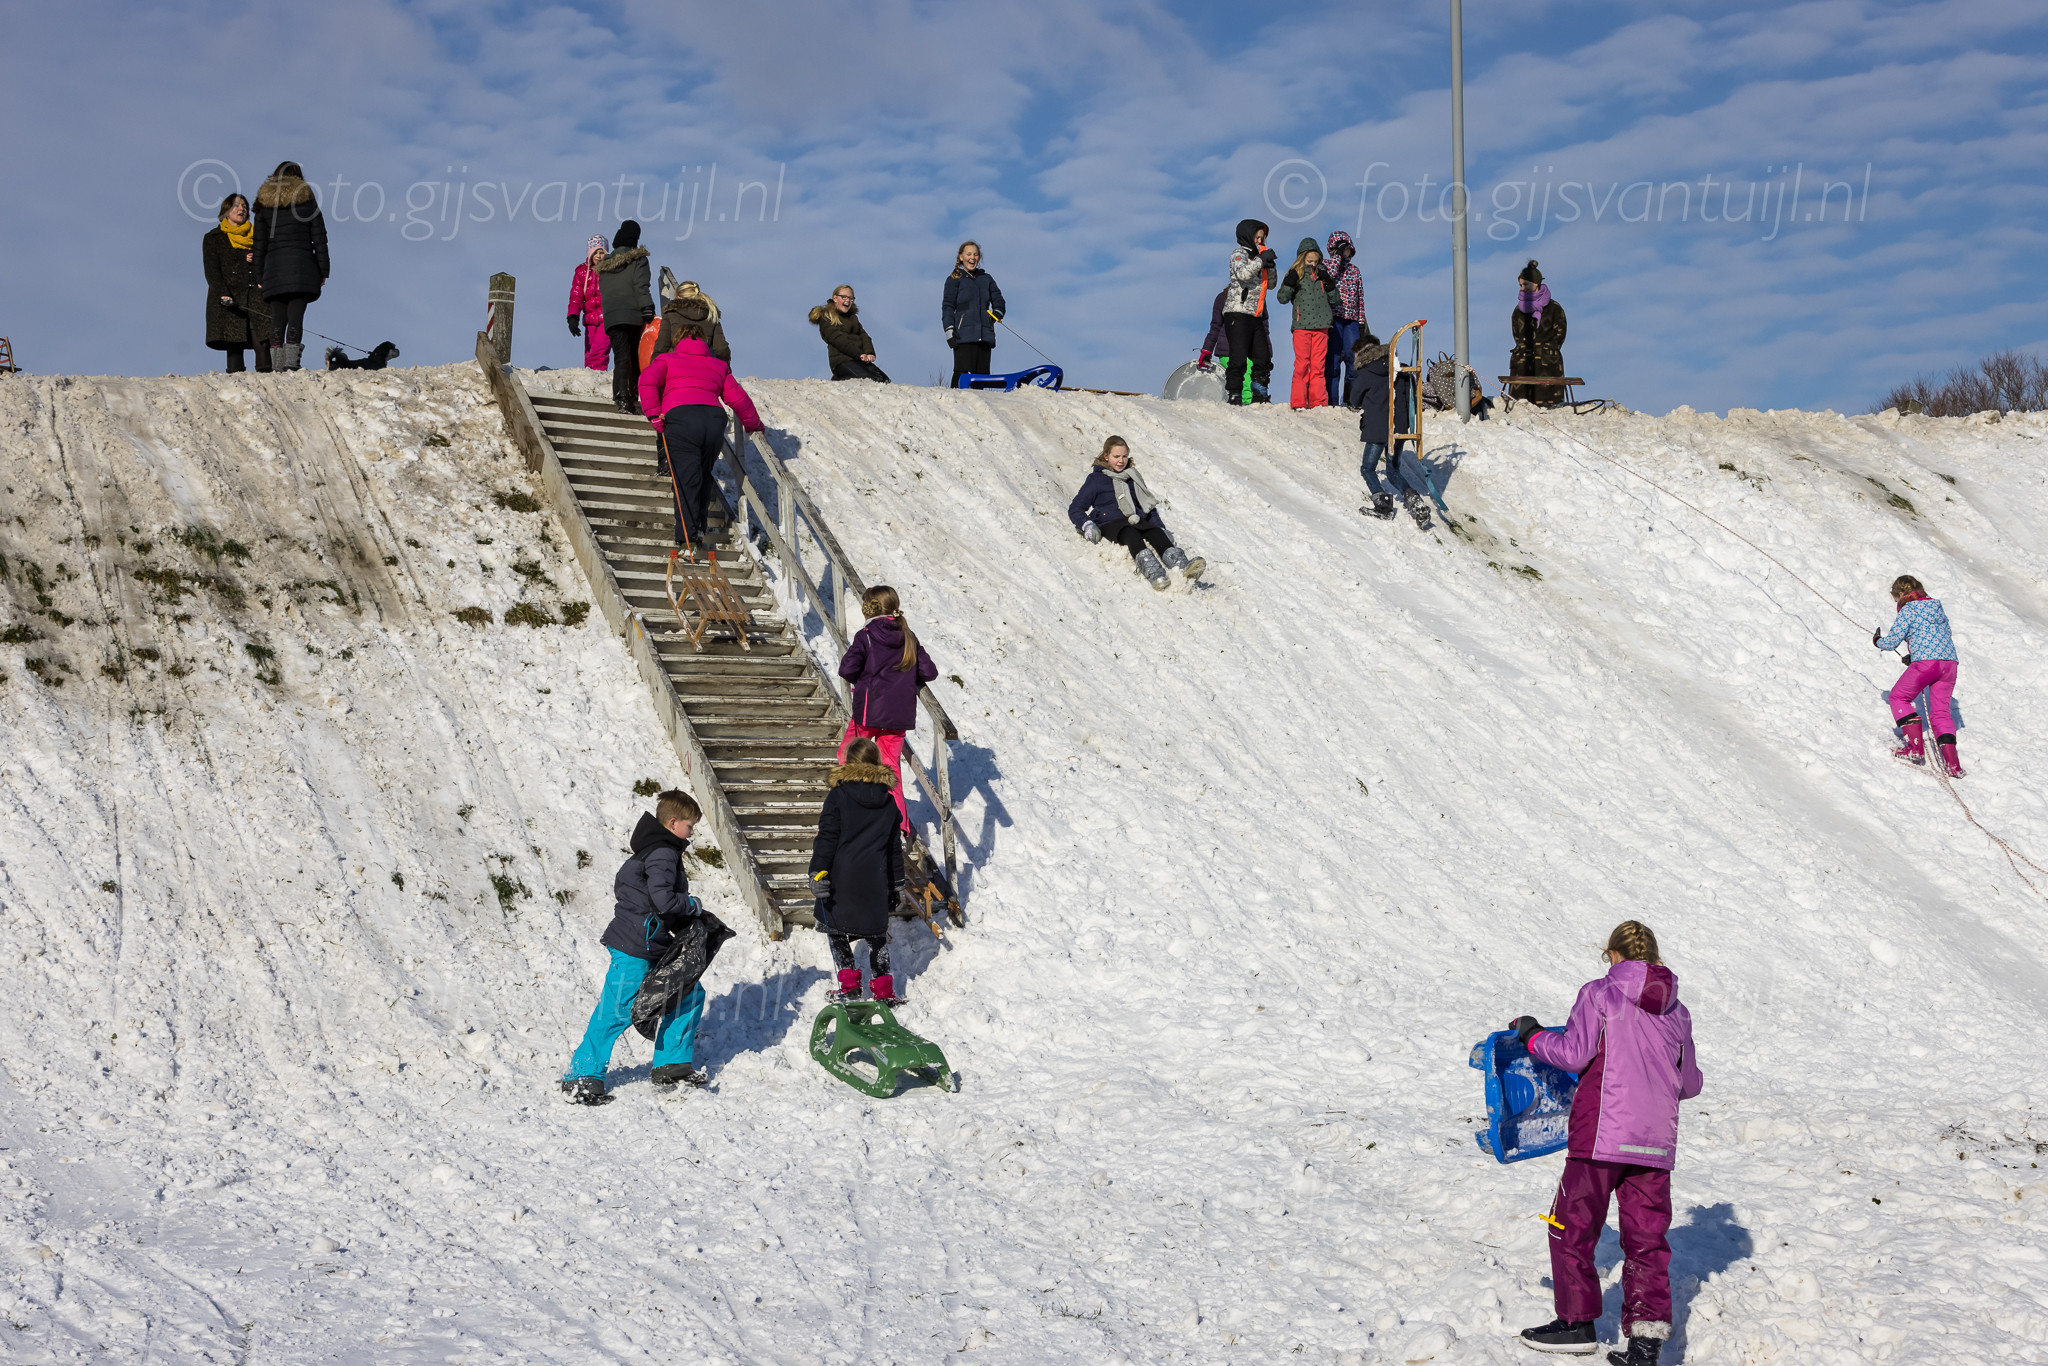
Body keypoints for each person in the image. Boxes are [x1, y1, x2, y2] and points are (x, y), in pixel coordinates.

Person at [1510, 921, 1701, 1365]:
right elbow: (1690, 1083)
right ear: (1654, 957)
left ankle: (1576, 1324)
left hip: (1601, 1135)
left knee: (1570, 1227)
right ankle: (1645, 1345)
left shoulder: (1599, 994)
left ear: (1612, 955)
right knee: (1647, 1242)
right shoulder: (1678, 1012)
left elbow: (1573, 1054)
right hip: (1656, 1144)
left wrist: (1532, 1034)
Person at [560, 789, 714, 1104]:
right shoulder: (662, 853)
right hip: (635, 945)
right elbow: (663, 900)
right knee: (617, 1009)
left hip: (651, 942)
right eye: (689, 826)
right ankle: (581, 1077)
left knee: (688, 994)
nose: (692, 832)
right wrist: (692, 904)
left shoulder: (658, 850)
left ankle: (671, 1066)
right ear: (673, 823)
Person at [639, 298, 764, 557]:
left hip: (681, 420)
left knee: (685, 480)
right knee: (703, 475)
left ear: (678, 340)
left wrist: (653, 414)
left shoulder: (667, 360)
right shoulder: (718, 365)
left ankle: (688, 540)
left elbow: (646, 381)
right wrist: (755, 425)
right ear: (705, 343)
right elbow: (738, 399)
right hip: (712, 421)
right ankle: (698, 529)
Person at [809, 736, 907, 1005]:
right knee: (877, 936)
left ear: (848, 763)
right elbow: (893, 848)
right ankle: (884, 991)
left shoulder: (838, 796)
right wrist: (898, 883)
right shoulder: (888, 802)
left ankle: (850, 986)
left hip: (842, 878)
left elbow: (827, 838)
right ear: (877, 762)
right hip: (875, 878)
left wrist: (817, 872)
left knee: (836, 931)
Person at [836, 585, 939, 831]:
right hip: (898, 716)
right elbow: (929, 672)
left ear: (868, 608)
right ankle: (900, 825)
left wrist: (865, 678)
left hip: (868, 712)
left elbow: (847, 670)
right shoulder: (909, 636)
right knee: (890, 768)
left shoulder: (866, 635)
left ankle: (854, 811)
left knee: (848, 756)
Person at [1067, 435, 1206, 591]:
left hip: (1134, 519)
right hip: (1110, 522)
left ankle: (1181, 565)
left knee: (1155, 533)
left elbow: (1148, 507)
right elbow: (1076, 508)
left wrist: (1161, 528)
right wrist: (1087, 524)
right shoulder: (1096, 479)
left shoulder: (1132, 478)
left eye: (1124, 456)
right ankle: (1153, 572)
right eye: (1116, 456)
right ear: (1106, 456)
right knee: (1131, 534)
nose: (1121, 461)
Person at [1875, 574, 1963, 777]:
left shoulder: (1909, 609)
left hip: (1926, 663)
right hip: (1949, 663)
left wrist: (1877, 640)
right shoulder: (1936, 606)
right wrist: (1915, 655)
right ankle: (1953, 766)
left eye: (1895, 599)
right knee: (1941, 713)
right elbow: (1942, 634)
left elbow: (1891, 642)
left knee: (1898, 697)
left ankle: (1914, 748)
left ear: (1901, 594)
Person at [251, 161, 329, 372]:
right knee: (296, 317)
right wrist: (323, 271)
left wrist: (259, 275)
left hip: (273, 270)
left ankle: (277, 367)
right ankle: (291, 364)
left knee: (277, 318)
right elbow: (319, 240)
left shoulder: (264, 207)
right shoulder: (308, 202)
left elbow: (259, 245)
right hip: (303, 268)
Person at [1354, 335, 1432, 529]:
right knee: (1393, 470)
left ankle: (1383, 506)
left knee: (1368, 468)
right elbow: (1411, 400)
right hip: (1399, 429)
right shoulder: (1402, 369)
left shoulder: (1366, 371)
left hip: (1377, 429)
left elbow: (1354, 399)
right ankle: (1417, 503)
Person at [203, 193, 271, 374]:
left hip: (257, 296)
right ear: (226, 211)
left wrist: (259, 260)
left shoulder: (259, 237)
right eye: (236, 205)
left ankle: (269, 382)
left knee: (263, 342)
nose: (241, 209)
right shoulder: (213, 238)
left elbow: (272, 262)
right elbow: (212, 271)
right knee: (233, 345)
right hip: (230, 297)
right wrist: (222, 294)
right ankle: (236, 386)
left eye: (244, 206)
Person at [597, 220, 654, 412]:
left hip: (612, 317)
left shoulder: (605, 265)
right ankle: (630, 397)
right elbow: (641, 286)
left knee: (621, 355)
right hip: (632, 314)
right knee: (635, 356)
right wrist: (647, 306)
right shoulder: (638, 260)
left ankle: (622, 397)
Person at [1221, 219, 1276, 405]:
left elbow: (1272, 285)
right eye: (1257, 237)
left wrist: (1270, 265)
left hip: (1256, 314)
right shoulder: (1239, 254)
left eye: (1262, 238)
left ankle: (1260, 392)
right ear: (1247, 236)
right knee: (1238, 357)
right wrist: (1260, 260)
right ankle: (1235, 393)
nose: (1260, 241)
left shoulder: (1259, 257)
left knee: (1263, 357)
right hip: (1238, 312)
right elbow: (1243, 274)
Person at [1277, 238, 1335, 409]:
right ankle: (1299, 402)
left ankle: (1318, 403)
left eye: (1316, 261)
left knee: (1318, 367)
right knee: (1302, 365)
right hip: (1302, 326)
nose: (1313, 264)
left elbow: (1335, 300)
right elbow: (1282, 298)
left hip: (1322, 326)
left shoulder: (1323, 274)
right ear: (1302, 259)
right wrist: (1290, 282)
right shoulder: (1295, 274)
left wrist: (1329, 283)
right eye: (1310, 261)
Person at [941, 241, 1005, 389]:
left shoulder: (986, 279)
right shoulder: (954, 279)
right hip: (963, 335)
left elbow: (999, 299)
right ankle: (955, 400)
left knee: (982, 377)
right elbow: (948, 306)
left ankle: (979, 403)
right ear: (961, 257)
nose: (972, 257)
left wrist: (997, 312)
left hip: (985, 334)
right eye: (969, 254)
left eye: (975, 254)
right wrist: (949, 329)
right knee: (962, 373)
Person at [1508, 260, 1567, 404]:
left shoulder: (1554, 308)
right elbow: (1516, 334)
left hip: (1548, 364)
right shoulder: (1518, 310)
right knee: (1522, 406)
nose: (1523, 288)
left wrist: (1547, 350)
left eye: (1525, 284)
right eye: (1520, 285)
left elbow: (1560, 333)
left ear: (1536, 284)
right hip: (1522, 364)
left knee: (1551, 407)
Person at [1323, 230, 1368, 408]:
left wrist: (1361, 321)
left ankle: (1351, 399)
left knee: (1353, 358)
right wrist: (1337, 257)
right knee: (1332, 360)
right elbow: (1329, 277)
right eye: (1341, 248)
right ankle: (1331, 400)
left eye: (1347, 248)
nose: (1345, 252)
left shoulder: (1355, 271)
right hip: (1334, 318)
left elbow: (1360, 297)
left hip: (1351, 320)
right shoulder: (1327, 265)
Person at [808, 285, 889, 382]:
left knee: (884, 380)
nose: (848, 300)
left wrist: (869, 352)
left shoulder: (852, 317)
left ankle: (839, 378)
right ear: (835, 298)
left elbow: (864, 336)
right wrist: (859, 354)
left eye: (851, 298)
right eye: (844, 297)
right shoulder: (827, 316)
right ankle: (839, 379)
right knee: (867, 379)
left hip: (859, 359)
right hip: (842, 360)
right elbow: (837, 339)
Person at [655, 280, 732, 365]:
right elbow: (721, 349)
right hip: (703, 366)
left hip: (675, 366)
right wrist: (725, 368)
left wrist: (653, 367)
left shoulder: (671, 314)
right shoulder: (711, 314)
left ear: (678, 297)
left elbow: (661, 346)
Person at [566, 234, 610, 371]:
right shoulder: (582, 272)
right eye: (595, 252)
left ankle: (598, 376)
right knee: (589, 354)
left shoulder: (610, 271)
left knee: (599, 352)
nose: (598, 256)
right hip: (590, 320)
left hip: (607, 318)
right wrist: (573, 316)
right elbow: (576, 296)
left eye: (601, 252)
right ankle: (591, 378)